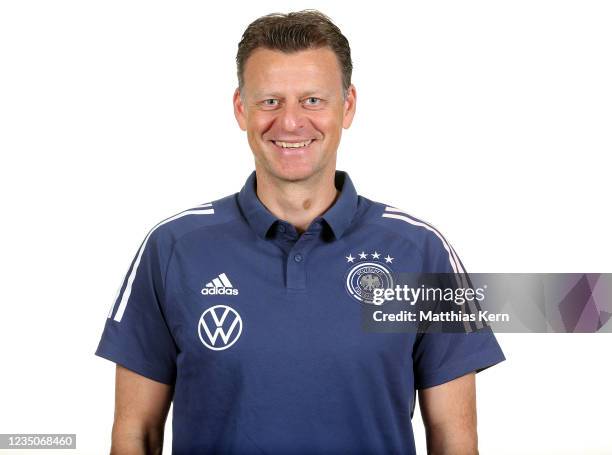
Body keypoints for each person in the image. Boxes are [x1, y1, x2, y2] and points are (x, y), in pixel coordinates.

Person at [95, 9, 505, 454]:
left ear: (347, 106)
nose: (290, 122)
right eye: (270, 100)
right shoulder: (173, 248)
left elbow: (455, 439)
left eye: (313, 100)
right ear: (240, 108)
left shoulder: (421, 252)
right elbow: (137, 432)